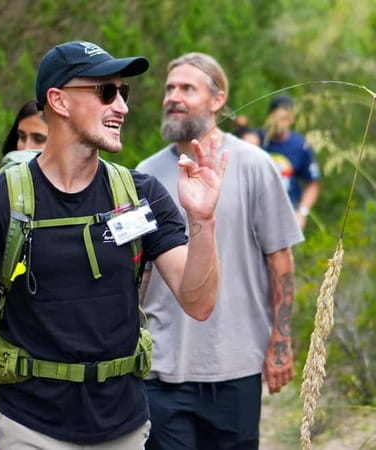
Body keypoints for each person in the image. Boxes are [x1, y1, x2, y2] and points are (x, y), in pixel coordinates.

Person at [0, 40, 227, 449]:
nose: (122, 107)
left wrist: (202, 220)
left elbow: (198, 303)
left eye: (123, 92)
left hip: (124, 427)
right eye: (106, 92)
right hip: (29, 427)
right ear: (58, 100)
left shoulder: (142, 195)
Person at [136, 52, 304, 449]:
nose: (173, 97)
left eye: (186, 88)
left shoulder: (254, 165)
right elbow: (140, 271)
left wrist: (280, 341)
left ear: (217, 99)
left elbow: (280, 259)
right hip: (161, 367)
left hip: (235, 364)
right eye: (169, 89)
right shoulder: (145, 175)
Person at [260, 95, 321, 229]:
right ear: (270, 116)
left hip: (287, 215)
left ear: (292, 118)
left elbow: (313, 183)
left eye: (286, 118)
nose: (281, 122)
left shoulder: (300, 145)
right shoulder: (258, 140)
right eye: (278, 117)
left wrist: (302, 212)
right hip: (258, 213)